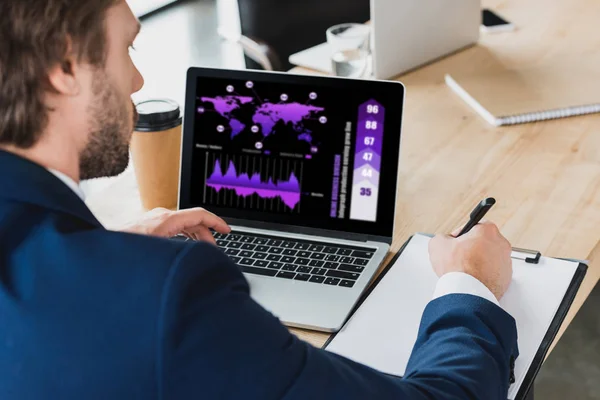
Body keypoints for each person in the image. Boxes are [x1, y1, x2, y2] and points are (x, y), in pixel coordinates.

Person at [0, 1, 518, 399]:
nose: (137, 80)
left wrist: (98, 250)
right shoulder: (173, 293)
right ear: (65, 67)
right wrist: (467, 284)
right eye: (127, 48)